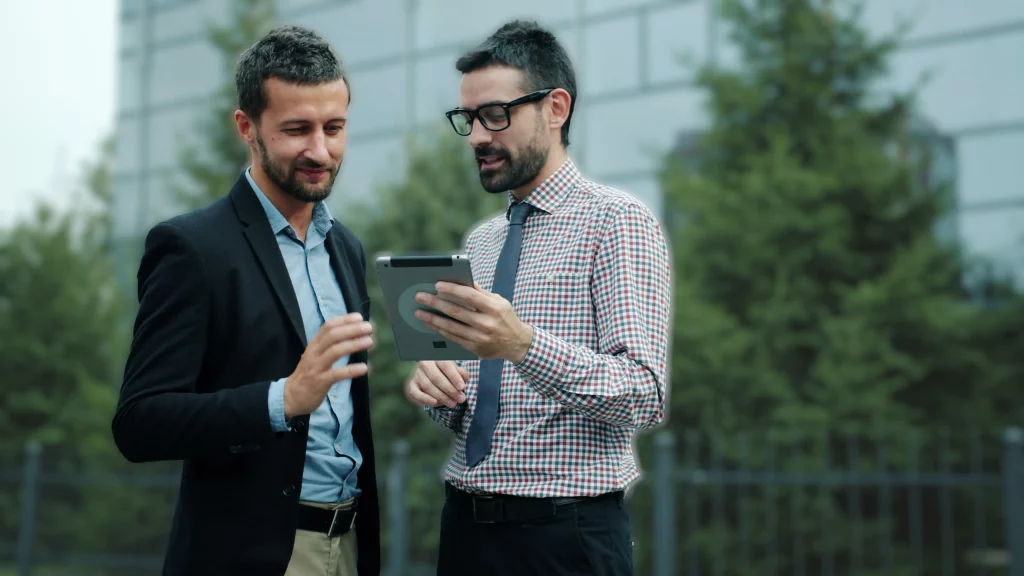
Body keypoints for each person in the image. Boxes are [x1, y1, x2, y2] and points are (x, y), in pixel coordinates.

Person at [404, 19, 672, 576]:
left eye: (495, 114)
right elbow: (478, 403)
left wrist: (523, 345)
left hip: (566, 538)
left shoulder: (617, 222)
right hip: (466, 528)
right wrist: (439, 390)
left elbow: (644, 395)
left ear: (555, 108)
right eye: (468, 118)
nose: (477, 137)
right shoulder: (482, 241)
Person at [111, 25, 380, 576]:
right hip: (251, 555)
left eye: (334, 128)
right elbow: (139, 422)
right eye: (297, 129)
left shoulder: (346, 248)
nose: (320, 150)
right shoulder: (191, 248)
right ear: (247, 128)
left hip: (350, 545)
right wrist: (282, 399)